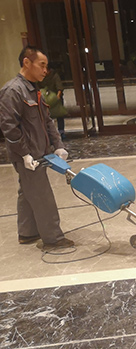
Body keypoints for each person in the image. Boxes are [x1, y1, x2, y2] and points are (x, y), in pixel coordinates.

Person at [0, 45, 74, 250]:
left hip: (39, 153)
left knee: (27, 191)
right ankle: (53, 239)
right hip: (28, 155)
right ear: (26, 62)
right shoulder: (13, 91)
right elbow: (9, 128)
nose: (45, 70)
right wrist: (24, 154)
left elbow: (47, 121)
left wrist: (58, 146)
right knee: (42, 196)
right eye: (42, 65)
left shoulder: (33, 90)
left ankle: (27, 232)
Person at [39, 62, 66, 139]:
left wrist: (57, 98)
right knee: (46, 116)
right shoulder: (41, 76)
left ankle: (61, 131)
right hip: (45, 98)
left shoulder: (54, 76)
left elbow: (59, 87)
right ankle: (49, 133)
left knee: (59, 115)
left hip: (55, 98)